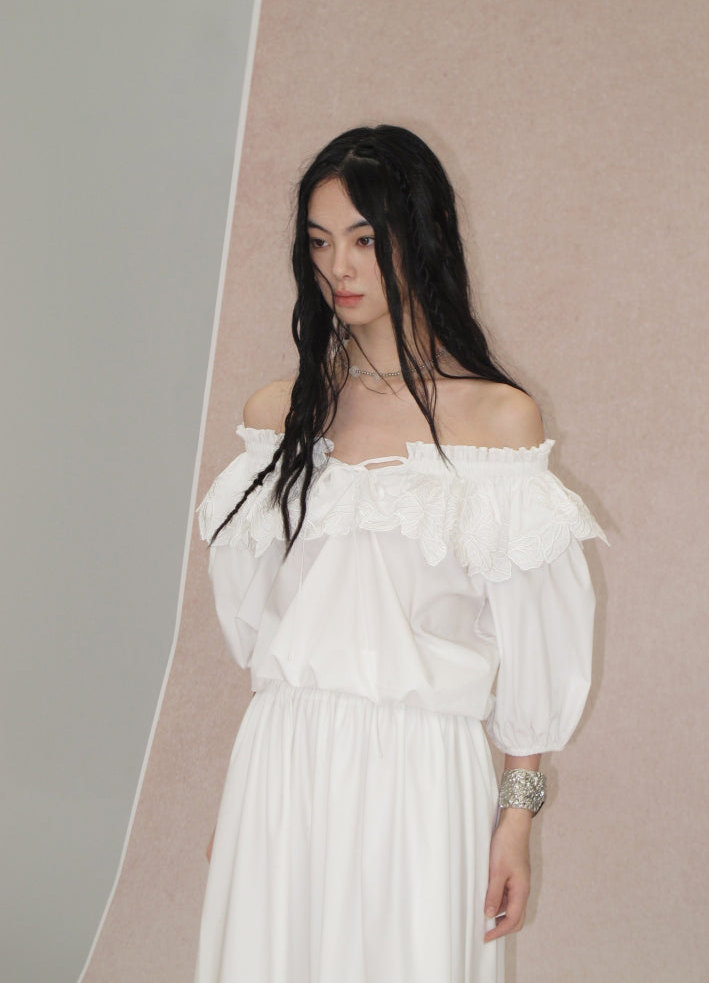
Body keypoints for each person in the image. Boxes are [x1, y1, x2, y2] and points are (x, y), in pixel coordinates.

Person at [194, 124, 604, 983]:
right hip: (285, 764)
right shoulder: (278, 418)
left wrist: (516, 818)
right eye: (319, 243)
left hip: (423, 778)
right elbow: (257, 627)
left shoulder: (497, 423)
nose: (339, 268)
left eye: (364, 240)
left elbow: (533, 641)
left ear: (419, 238)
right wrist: (248, 793)